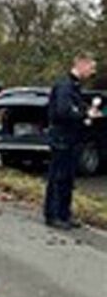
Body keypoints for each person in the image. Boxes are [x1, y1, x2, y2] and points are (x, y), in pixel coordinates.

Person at [44, 53, 101, 230]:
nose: (93, 72)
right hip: (62, 138)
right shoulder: (65, 86)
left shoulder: (74, 87)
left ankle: (64, 214)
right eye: (91, 67)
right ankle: (53, 215)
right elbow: (63, 111)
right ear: (81, 64)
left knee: (68, 178)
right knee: (59, 177)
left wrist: (87, 112)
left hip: (71, 138)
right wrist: (84, 115)